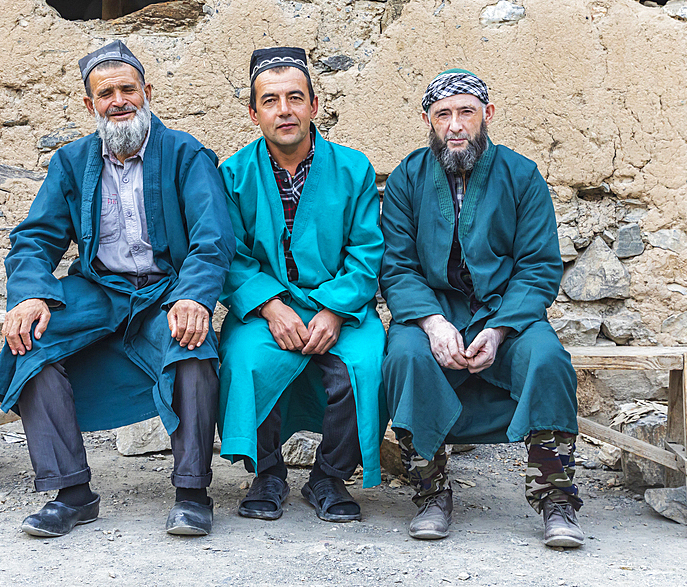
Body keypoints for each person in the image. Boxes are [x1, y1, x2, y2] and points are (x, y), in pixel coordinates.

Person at [0, 40, 235, 538]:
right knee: (29, 341)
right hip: (100, 288)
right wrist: (30, 293)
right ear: (90, 104)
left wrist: (194, 296)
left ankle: (191, 492)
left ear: (147, 93)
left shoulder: (185, 152)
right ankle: (71, 493)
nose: (119, 100)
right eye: (106, 93)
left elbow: (213, 237)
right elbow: (35, 237)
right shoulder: (72, 161)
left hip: (166, 290)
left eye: (128, 89)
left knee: (192, 346)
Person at [379, 69, 583, 547]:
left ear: (486, 115)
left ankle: (556, 498)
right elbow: (397, 267)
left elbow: (538, 265)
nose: (455, 125)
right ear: (428, 120)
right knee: (405, 357)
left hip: (506, 315)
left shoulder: (521, 175)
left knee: (548, 359)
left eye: (466, 112)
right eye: (443, 114)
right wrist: (431, 322)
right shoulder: (408, 178)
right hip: (431, 312)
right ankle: (431, 492)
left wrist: (500, 330)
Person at [216, 47, 385, 523]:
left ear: (314, 105)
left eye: (295, 97)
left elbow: (367, 250)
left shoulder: (353, 169)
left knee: (364, 363)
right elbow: (229, 255)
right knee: (247, 358)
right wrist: (269, 305)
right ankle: (267, 474)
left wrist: (334, 311)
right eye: (270, 100)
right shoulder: (232, 175)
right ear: (254, 113)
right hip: (268, 304)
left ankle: (328, 477)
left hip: (342, 306)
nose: (284, 110)